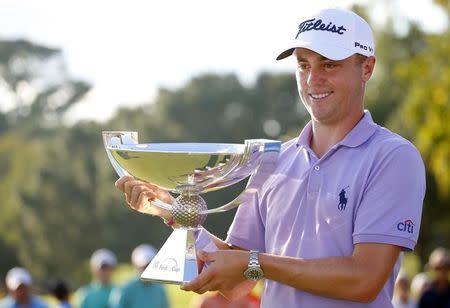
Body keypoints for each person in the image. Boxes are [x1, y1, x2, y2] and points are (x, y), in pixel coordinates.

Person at [115, 7, 426, 308]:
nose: (312, 79)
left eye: (329, 64)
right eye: (303, 65)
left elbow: (364, 279)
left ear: (367, 68)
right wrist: (175, 212)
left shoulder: (393, 157)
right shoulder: (274, 161)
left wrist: (255, 262)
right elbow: (238, 283)